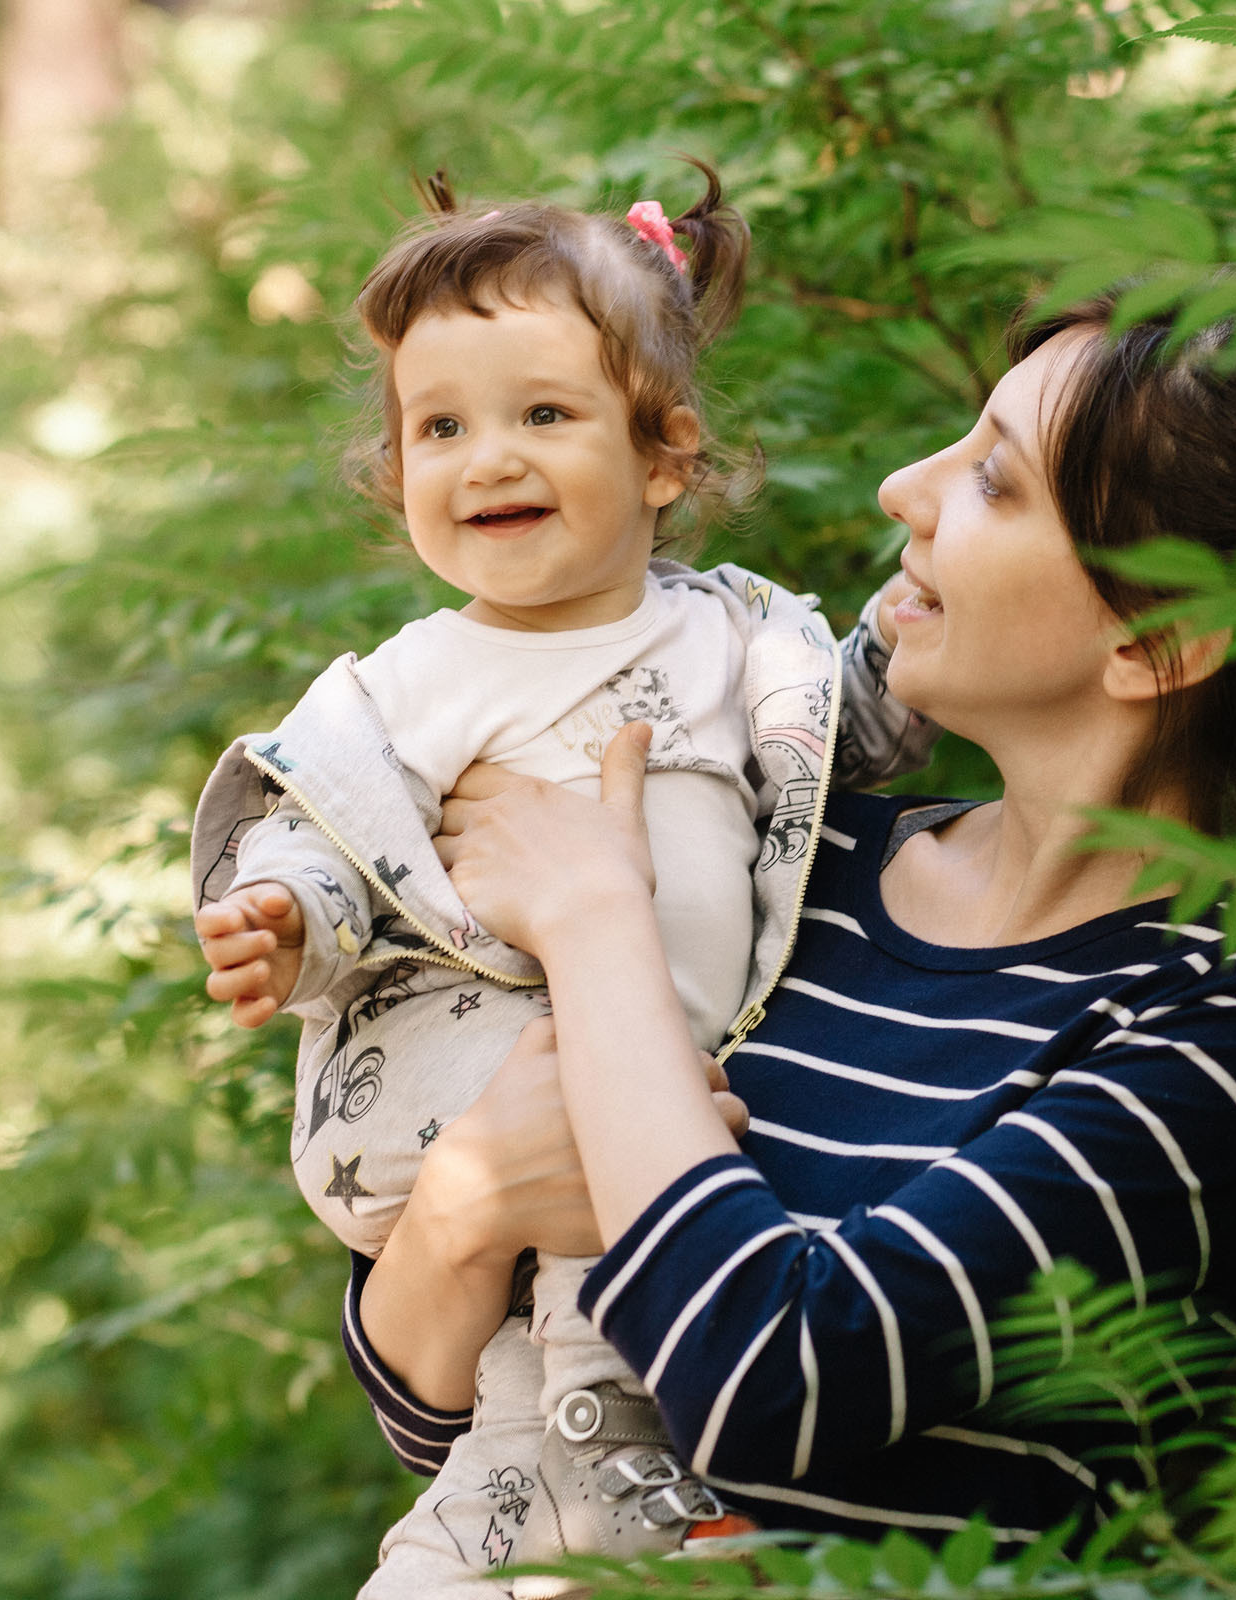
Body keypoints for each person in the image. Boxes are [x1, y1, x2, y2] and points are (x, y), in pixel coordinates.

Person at [354, 303, 1236, 1560]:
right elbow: (434, 1412)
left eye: (994, 479)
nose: (907, 488)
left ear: (1153, 640)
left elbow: (777, 1380)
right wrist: (461, 1207)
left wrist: (597, 923)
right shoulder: (797, 866)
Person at [187, 171, 935, 1595]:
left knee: (635, 1303)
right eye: (442, 427)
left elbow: (856, 733)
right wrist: (287, 920)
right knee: (568, 1297)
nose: (487, 460)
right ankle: (520, 1521)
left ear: (664, 458)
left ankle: (556, 1516)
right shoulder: (414, 679)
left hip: (681, 1082)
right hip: (493, 1070)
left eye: (544, 415)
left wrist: (911, 621)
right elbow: (331, 824)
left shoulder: (733, 640)